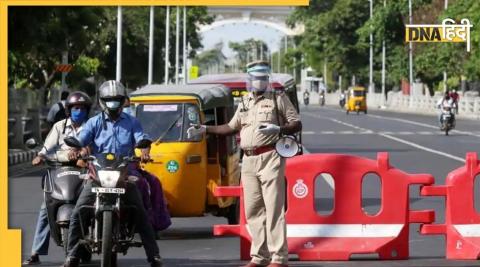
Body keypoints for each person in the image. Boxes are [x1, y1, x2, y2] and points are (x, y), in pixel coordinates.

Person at [187, 61, 302, 267]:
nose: (260, 81)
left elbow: (296, 123)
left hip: (270, 157)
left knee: (274, 208)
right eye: (256, 77)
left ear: (268, 79)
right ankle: (259, 256)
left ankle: (279, 257)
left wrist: (278, 129)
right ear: (250, 80)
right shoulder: (245, 102)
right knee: (253, 210)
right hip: (247, 160)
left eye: (264, 77)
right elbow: (230, 127)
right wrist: (205, 129)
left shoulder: (278, 98)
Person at [61, 80, 162, 267]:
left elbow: (141, 138)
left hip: (124, 173)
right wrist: (75, 147)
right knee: (78, 212)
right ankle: (72, 255)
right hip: (98, 174)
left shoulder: (132, 122)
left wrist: (145, 150)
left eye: (117, 100)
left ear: (123, 100)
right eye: (109, 100)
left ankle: (153, 256)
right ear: (102, 101)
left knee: (140, 211)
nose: (113, 104)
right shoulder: (94, 122)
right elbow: (81, 138)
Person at [23, 91, 92, 265]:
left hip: (83, 171)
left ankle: (97, 238)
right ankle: (36, 252)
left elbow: (92, 146)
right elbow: (47, 147)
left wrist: (83, 154)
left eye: (82, 108)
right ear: (69, 110)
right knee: (46, 207)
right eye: (76, 108)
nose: (79, 111)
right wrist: (40, 155)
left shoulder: (92, 126)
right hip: (59, 169)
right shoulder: (59, 126)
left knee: (91, 204)